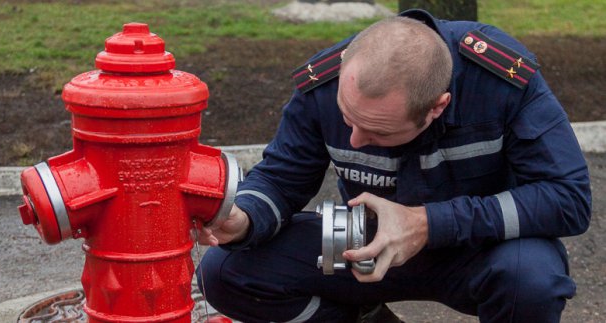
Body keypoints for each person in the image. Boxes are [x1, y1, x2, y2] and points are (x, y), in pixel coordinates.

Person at [197, 9, 592, 323]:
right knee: (225, 270)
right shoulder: (328, 81)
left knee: (533, 280)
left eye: (376, 132)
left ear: (438, 107)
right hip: (365, 247)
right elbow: (283, 178)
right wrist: (244, 217)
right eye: (347, 118)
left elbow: (567, 197)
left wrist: (428, 223)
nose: (353, 139)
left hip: (479, 247)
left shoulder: (501, 81)